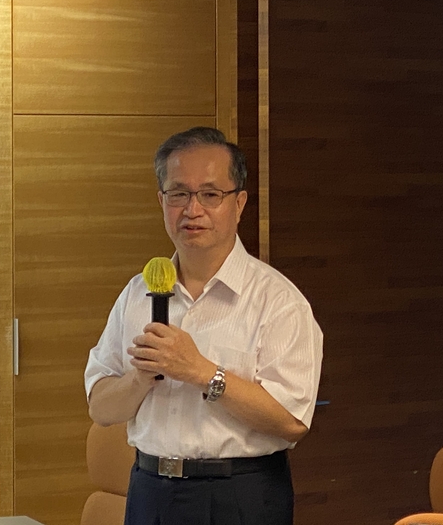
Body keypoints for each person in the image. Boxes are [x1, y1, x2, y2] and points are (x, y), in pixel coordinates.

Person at [84, 127, 323, 525]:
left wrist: (201, 372)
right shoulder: (137, 293)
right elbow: (100, 406)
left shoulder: (278, 300)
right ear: (162, 201)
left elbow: (291, 421)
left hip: (240, 494)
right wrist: (140, 379)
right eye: (178, 194)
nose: (192, 209)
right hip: (149, 489)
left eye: (210, 194)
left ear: (239, 203)